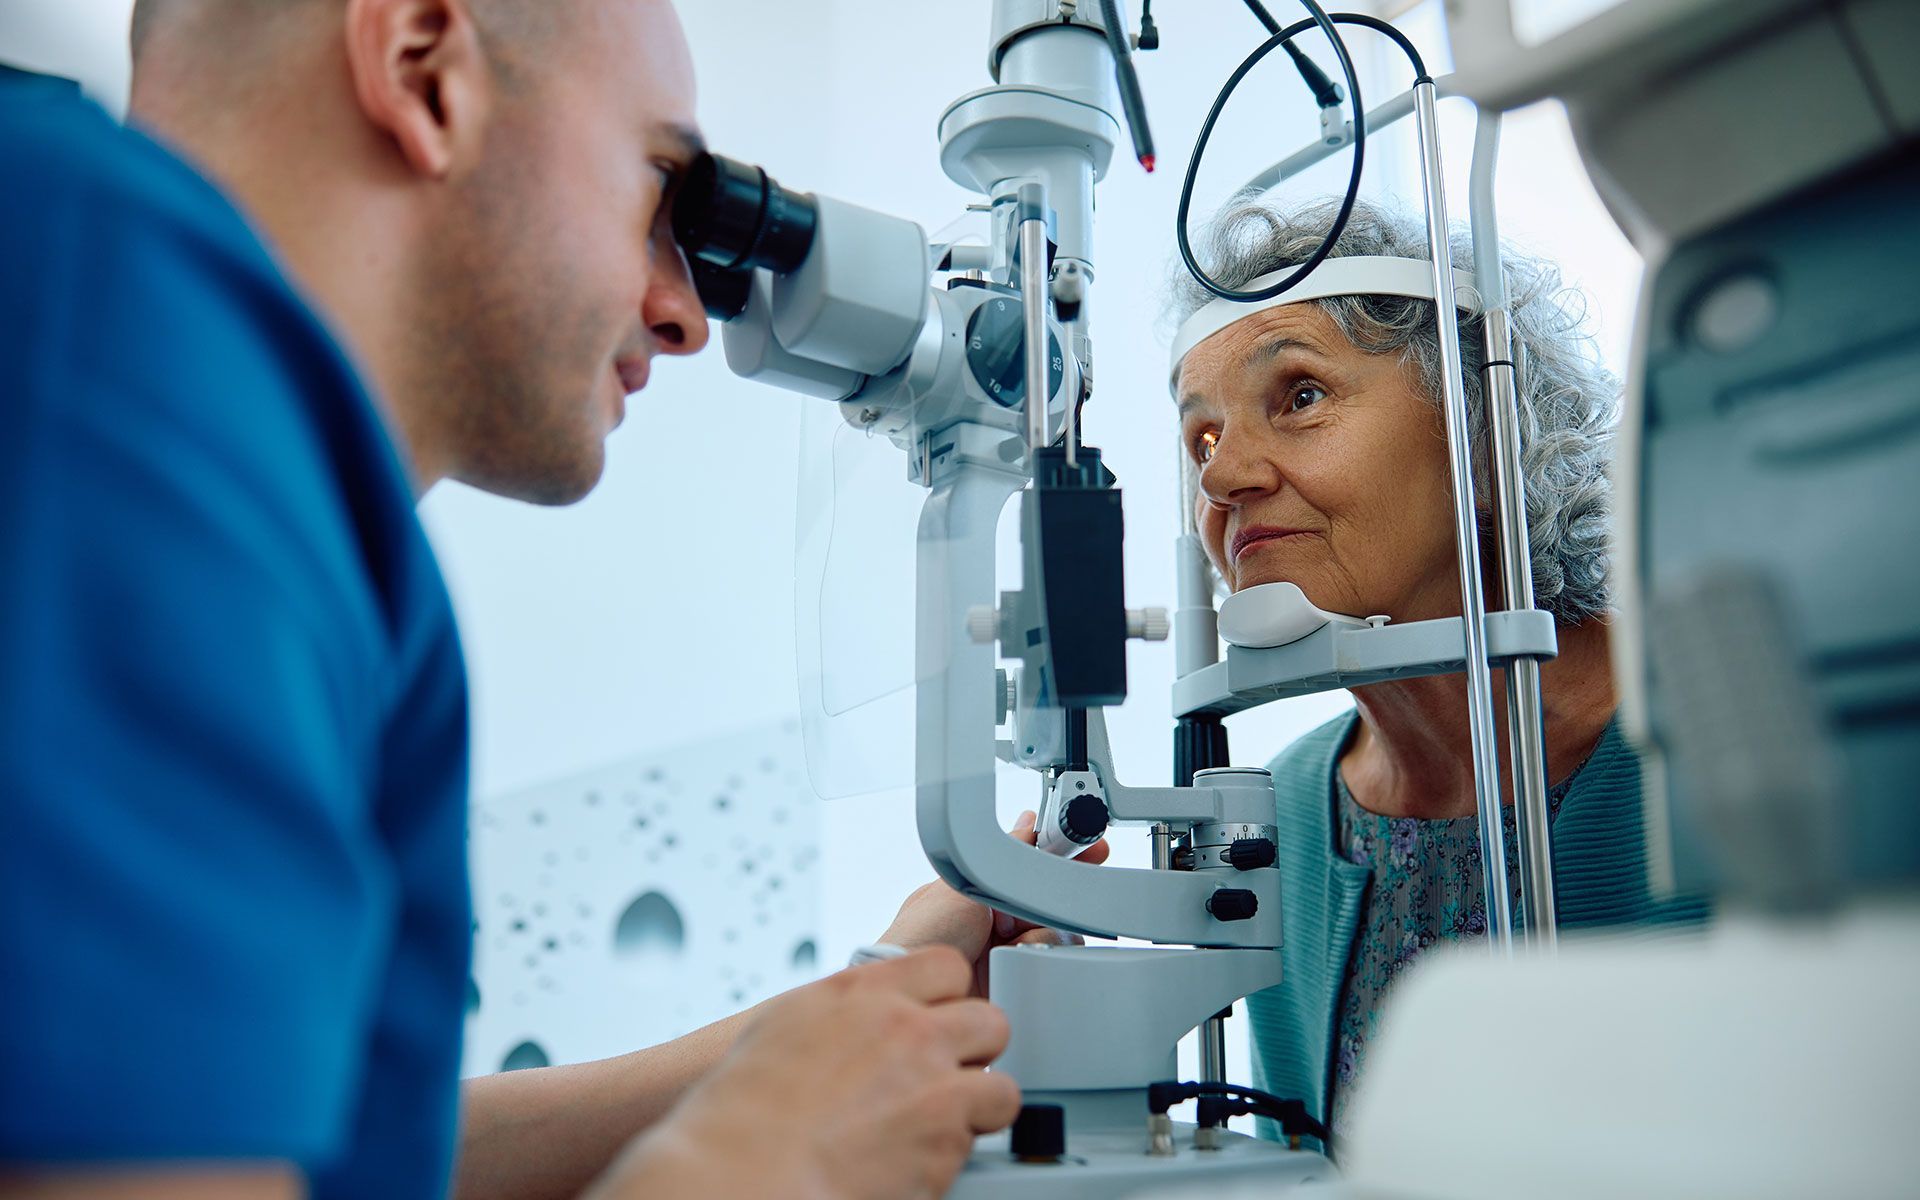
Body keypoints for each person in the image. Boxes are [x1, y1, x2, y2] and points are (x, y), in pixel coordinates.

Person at [0, 2, 1069, 1197]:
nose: (680, 311)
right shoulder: (101, 311)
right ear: (424, 70)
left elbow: (332, 1156)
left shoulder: (268, 486)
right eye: (662, 186)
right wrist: (749, 1174)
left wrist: (833, 1036)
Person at [1166, 198, 1710, 1144]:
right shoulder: (1284, 816)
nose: (1223, 478)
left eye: (1298, 396)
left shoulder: (1729, 734)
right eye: (1202, 438)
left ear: (1489, 434)